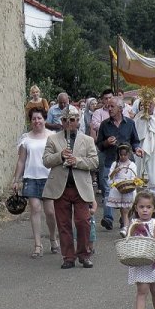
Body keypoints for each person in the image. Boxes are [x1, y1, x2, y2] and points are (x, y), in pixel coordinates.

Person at [42, 104, 98, 269]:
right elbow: (46, 160)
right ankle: (68, 257)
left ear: (78, 121)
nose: (68, 123)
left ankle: (84, 254)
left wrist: (78, 161)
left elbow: (95, 162)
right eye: (65, 120)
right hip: (61, 187)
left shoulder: (87, 140)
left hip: (81, 188)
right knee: (64, 224)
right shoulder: (53, 139)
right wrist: (60, 156)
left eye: (72, 120)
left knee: (83, 222)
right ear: (61, 121)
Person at [11, 108, 59, 258]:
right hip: (31, 177)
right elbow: (21, 161)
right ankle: (38, 244)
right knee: (35, 209)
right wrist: (16, 179)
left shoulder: (52, 137)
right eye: (33, 119)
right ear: (30, 121)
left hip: (49, 177)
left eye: (39, 118)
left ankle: (52, 237)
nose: (37, 121)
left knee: (50, 212)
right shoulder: (26, 139)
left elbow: (58, 158)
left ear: (44, 120)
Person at [97, 96, 142, 231]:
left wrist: (137, 149)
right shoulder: (104, 124)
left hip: (127, 164)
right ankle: (108, 218)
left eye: (112, 107)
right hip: (109, 161)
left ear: (120, 109)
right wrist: (106, 142)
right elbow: (99, 145)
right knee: (107, 190)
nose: (109, 109)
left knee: (127, 191)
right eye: (108, 106)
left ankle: (125, 220)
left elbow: (135, 141)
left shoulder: (130, 123)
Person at [106, 143, 137, 238]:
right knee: (123, 209)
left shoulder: (132, 165)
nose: (123, 157)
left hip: (128, 188)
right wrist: (116, 171)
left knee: (126, 209)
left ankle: (126, 226)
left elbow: (134, 177)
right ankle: (126, 227)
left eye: (125, 155)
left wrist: (132, 183)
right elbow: (110, 178)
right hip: (118, 188)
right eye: (121, 155)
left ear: (129, 154)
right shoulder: (115, 164)